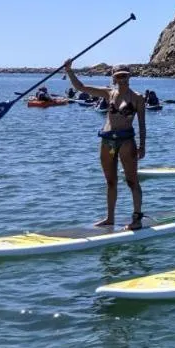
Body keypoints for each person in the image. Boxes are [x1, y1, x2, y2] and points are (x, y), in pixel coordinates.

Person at [64, 64, 146, 229]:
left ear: (129, 77)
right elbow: (81, 87)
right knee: (110, 182)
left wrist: (142, 146)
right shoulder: (108, 93)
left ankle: (137, 218)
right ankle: (110, 218)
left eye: (125, 76)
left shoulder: (137, 98)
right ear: (114, 78)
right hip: (107, 141)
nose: (122, 79)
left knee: (132, 181)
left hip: (126, 141)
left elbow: (142, 124)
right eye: (119, 76)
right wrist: (69, 71)